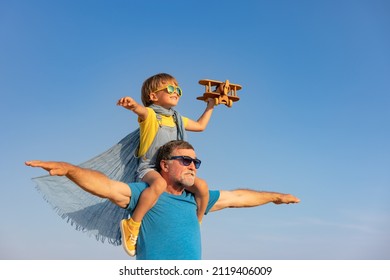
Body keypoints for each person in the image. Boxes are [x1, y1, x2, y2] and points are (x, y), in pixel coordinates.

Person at [25, 140, 300, 260]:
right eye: (185, 160)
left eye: (196, 161)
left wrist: (275, 197)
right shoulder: (144, 195)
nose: (192, 166)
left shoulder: (196, 200)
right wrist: (72, 170)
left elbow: (239, 197)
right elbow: (106, 187)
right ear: (164, 166)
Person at [116, 73, 216, 256]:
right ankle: (133, 224)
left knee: (202, 186)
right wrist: (132, 105)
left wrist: (210, 106)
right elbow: (141, 110)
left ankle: (196, 221)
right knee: (159, 184)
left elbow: (201, 126)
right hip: (150, 168)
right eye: (170, 88)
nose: (175, 92)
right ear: (153, 96)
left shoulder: (177, 119)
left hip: (171, 168)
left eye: (178, 89)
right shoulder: (151, 116)